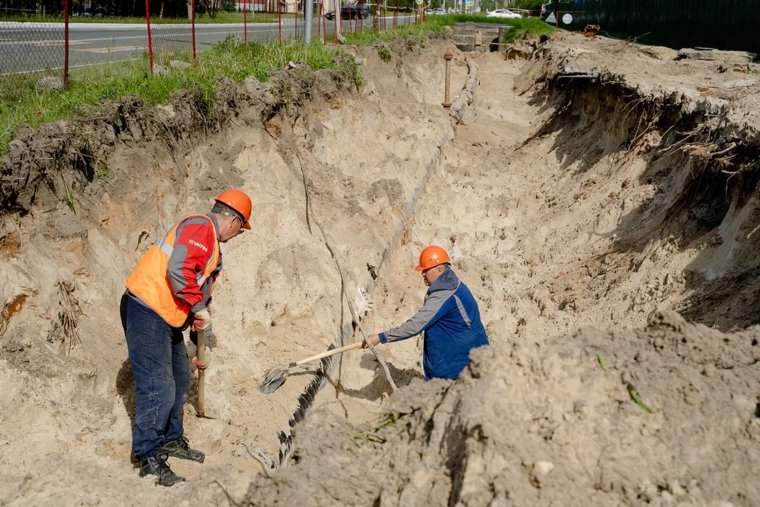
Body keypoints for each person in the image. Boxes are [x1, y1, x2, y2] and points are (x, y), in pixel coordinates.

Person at [120, 189, 252, 486]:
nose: (239, 234)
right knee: (158, 387)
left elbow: (197, 288)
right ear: (232, 220)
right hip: (146, 307)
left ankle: (170, 439)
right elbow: (178, 269)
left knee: (180, 377)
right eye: (241, 228)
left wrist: (197, 326)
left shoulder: (211, 245)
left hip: (167, 316)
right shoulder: (200, 227)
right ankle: (148, 456)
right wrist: (199, 307)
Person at [363, 245, 489, 381]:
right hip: (465, 357)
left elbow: (415, 325)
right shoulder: (451, 283)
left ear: (439, 270)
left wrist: (380, 337)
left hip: (458, 367)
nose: (422, 274)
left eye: (426, 270)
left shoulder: (444, 295)